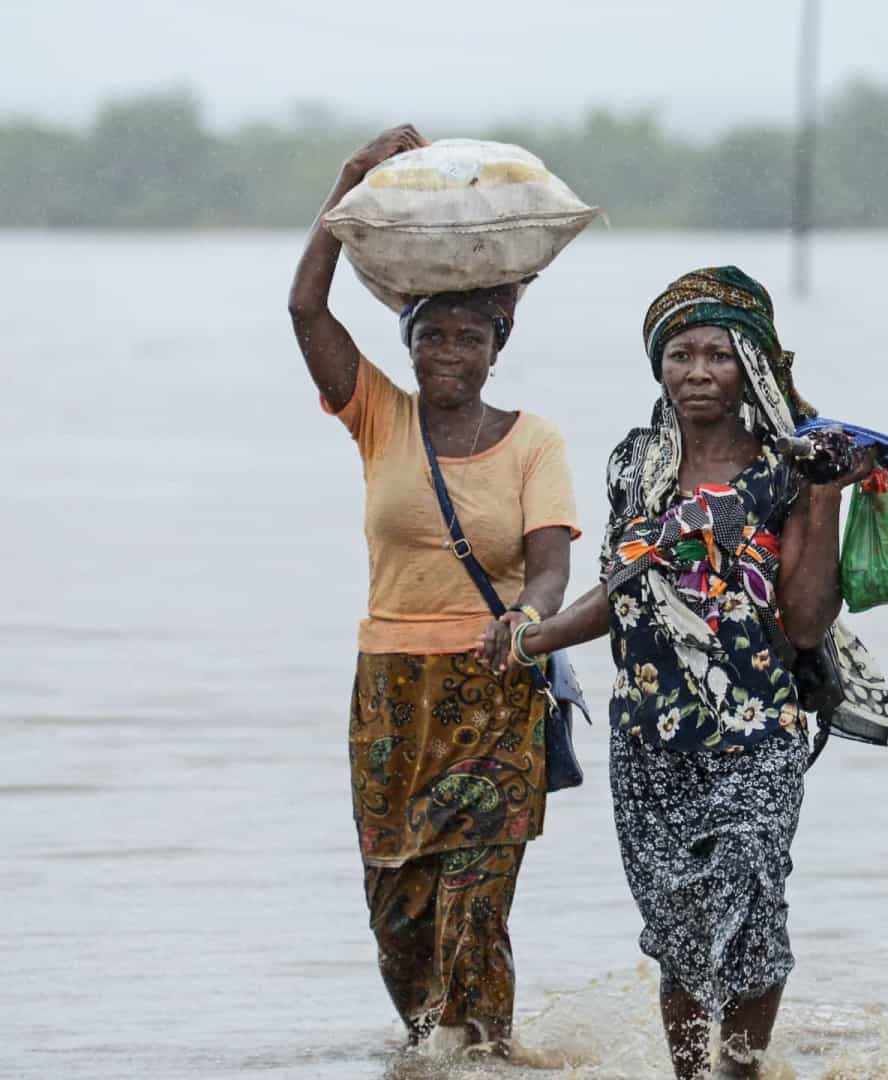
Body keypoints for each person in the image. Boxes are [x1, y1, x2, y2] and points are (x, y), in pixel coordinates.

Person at [516, 267, 878, 1079]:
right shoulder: (633, 463)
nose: (698, 373)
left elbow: (806, 621)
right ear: (659, 366)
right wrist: (532, 640)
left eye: (719, 354)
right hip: (648, 735)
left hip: (758, 731)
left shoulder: (789, 468)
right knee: (679, 927)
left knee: (751, 895)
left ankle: (740, 1071)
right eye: (681, 355)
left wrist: (826, 496)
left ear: (752, 366)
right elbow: (620, 588)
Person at [287, 125, 580, 1055]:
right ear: (409, 346)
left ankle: (486, 1059)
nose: (448, 352)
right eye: (432, 336)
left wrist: (530, 618)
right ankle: (431, 1057)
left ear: (497, 348)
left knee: (473, 911)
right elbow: (304, 308)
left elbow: (551, 565)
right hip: (390, 695)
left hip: (495, 688)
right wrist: (349, 180)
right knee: (399, 911)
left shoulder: (534, 441)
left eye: (468, 337)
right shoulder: (381, 416)